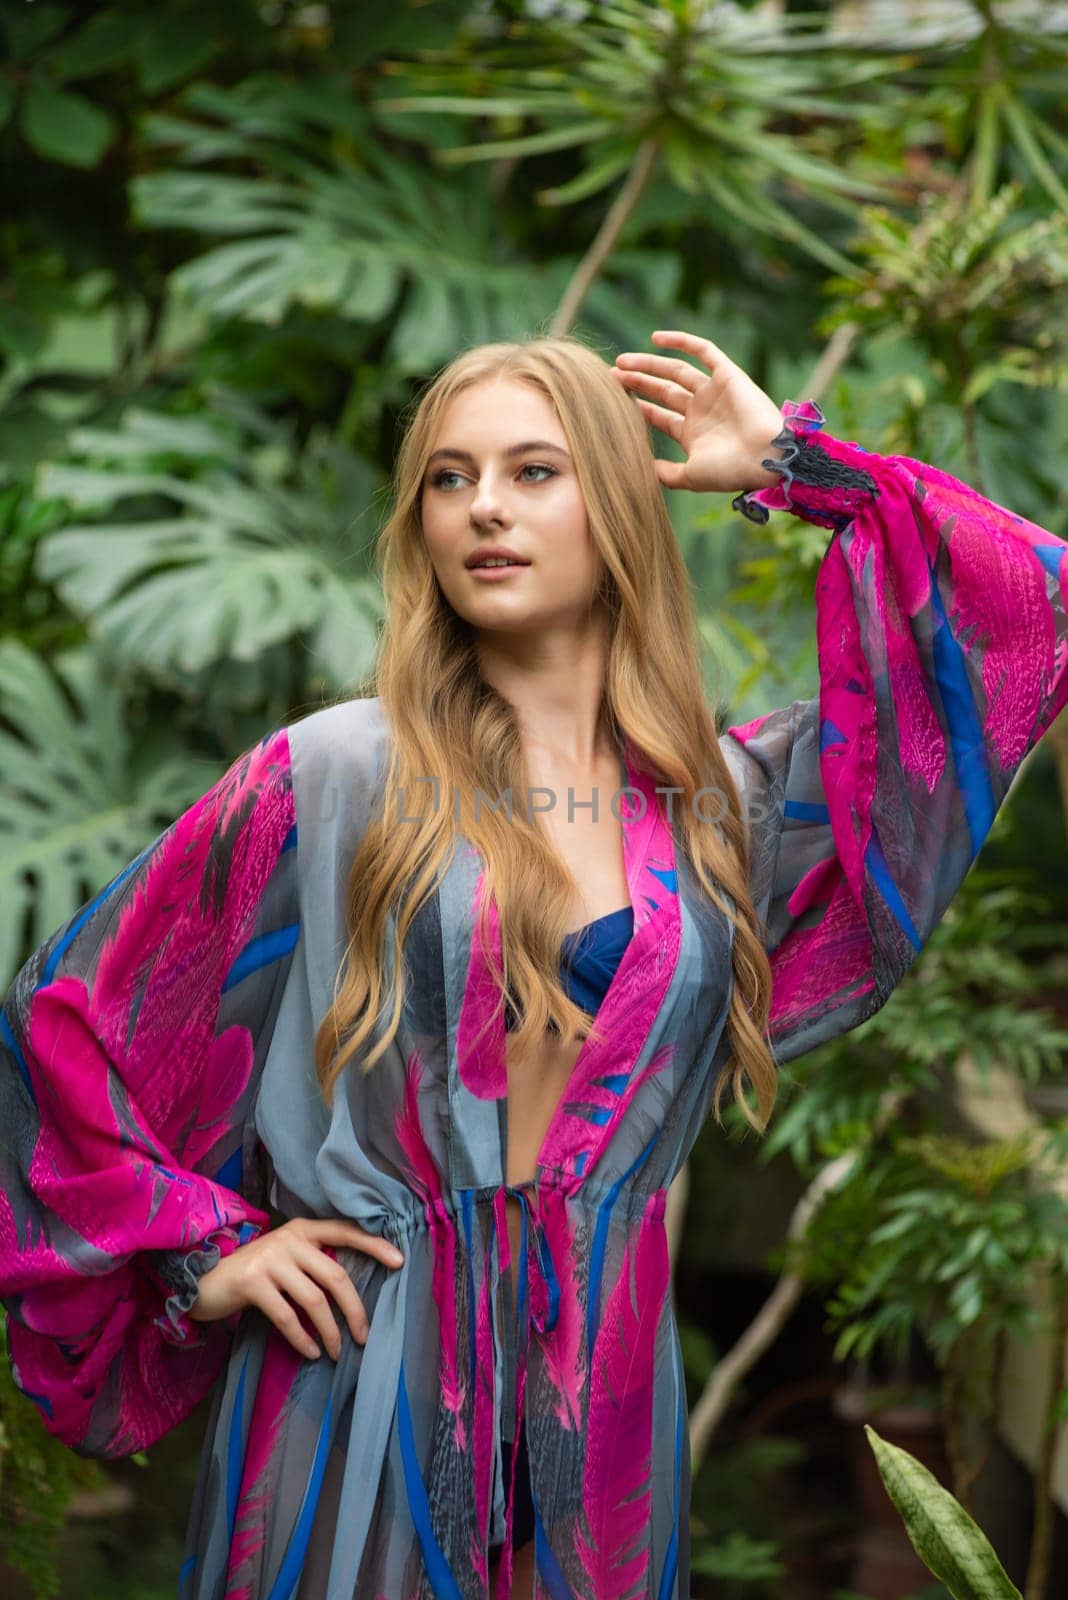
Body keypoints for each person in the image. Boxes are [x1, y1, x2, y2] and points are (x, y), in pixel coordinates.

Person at [0, 329, 1065, 1600]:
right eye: (448, 479)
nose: (484, 508)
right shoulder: (337, 774)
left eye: (533, 471)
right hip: (360, 1379)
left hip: (605, 1407)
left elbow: (1023, 617)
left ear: (615, 504)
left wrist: (792, 461)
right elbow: (67, 1024)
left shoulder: (724, 807)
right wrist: (205, 1248)